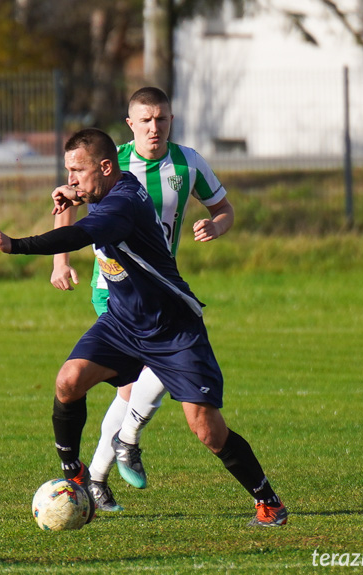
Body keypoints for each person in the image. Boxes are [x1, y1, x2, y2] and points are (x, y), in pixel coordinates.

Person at [0, 128, 287, 527]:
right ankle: (75, 474)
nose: (69, 179)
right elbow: (90, 199)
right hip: (123, 323)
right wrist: (78, 192)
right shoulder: (116, 185)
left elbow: (79, 232)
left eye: (77, 171)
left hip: (173, 330)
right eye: (67, 171)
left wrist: (14, 243)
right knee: (68, 381)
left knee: (206, 429)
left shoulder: (121, 205)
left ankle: (269, 502)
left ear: (105, 167)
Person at [50, 87, 234, 512]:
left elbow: (224, 208)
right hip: (111, 285)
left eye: (163, 119)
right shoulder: (110, 162)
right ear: (130, 124)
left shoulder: (188, 163)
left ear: (172, 120)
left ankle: (98, 473)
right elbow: (67, 198)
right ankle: (115, 452)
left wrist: (216, 226)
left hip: (160, 285)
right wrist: (60, 263)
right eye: (146, 120)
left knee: (135, 388)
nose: (155, 127)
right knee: (143, 381)